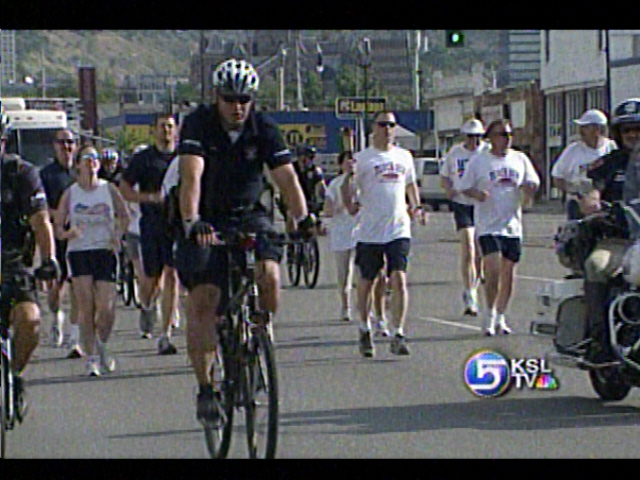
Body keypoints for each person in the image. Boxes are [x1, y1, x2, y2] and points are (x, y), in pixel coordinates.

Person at [175, 58, 313, 426]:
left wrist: (302, 218)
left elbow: (286, 179)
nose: (238, 107)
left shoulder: (263, 128)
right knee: (204, 298)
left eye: (245, 99)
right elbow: (191, 177)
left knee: (269, 273)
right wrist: (192, 221)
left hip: (249, 212)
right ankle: (206, 388)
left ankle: (258, 338)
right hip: (206, 216)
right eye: (230, 99)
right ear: (216, 97)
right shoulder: (198, 124)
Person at [341, 110, 426, 358]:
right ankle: (364, 327)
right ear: (374, 128)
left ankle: (398, 331)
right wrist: (348, 179)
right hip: (370, 231)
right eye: (383, 124)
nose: (387, 129)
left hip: (398, 227)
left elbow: (410, 185)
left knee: (398, 278)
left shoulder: (404, 157)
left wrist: (417, 206)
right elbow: (348, 193)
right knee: (366, 282)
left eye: (391, 125)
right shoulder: (363, 159)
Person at [1, 107, 61, 418]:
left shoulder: (22, 174)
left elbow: (41, 221)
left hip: (13, 265)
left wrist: (48, 259)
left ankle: (14, 376)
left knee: (31, 321)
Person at [459, 119, 540, 336]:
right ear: (491, 137)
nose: (506, 139)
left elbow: (533, 182)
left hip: (512, 224)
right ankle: (489, 313)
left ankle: (501, 315)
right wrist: (476, 194)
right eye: (502, 134)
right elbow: (463, 186)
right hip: (488, 225)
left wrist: (528, 188)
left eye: (509, 134)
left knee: (509, 273)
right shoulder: (479, 161)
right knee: (492, 270)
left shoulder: (519, 159)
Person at [55, 144, 131, 376]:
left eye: (95, 158)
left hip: (104, 250)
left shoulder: (108, 190)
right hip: (79, 252)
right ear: (77, 164)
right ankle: (91, 358)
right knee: (86, 306)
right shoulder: (71, 193)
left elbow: (125, 215)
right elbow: (58, 227)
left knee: (106, 307)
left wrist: (118, 236)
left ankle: (103, 346)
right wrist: (69, 234)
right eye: (86, 158)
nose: (91, 162)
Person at [579, 98, 640, 362]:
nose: (633, 135)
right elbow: (593, 187)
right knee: (596, 265)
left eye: (638, 129)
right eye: (627, 130)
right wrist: (592, 201)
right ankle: (599, 339)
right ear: (617, 134)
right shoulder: (610, 163)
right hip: (618, 241)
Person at [120, 114, 180, 354]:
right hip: (151, 224)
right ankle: (147, 306)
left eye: (170, 126)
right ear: (153, 131)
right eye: (162, 127)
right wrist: (149, 198)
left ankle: (165, 334)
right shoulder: (143, 159)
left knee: (172, 275)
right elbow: (124, 189)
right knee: (151, 281)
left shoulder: (183, 157)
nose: (166, 131)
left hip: (175, 225)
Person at [39, 128, 81, 357]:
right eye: (62, 142)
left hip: (79, 238)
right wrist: (60, 215)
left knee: (77, 286)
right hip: (57, 237)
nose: (66, 147)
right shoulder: (47, 175)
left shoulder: (81, 171)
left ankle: (74, 337)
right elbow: (41, 209)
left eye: (70, 142)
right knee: (57, 287)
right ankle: (55, 316)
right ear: (54, 146)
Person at [440, 118, 487, 316]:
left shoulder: (486, 152)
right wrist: (448, 189)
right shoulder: (455, 153)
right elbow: (445, 176)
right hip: (462, 203)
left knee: (479, 250)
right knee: (467, 246)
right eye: (470, 137)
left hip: (482, 204)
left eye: (477, 137)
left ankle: (476, 277)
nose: (473, 141)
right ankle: (470, 294)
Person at [551, 109, 616, 221]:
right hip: (579, 203)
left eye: (585, 127)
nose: (580, 131)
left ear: (598, 129)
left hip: (608, 202)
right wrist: (575, 193)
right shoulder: (573, 150)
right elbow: (557, 177)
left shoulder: (612, 148)